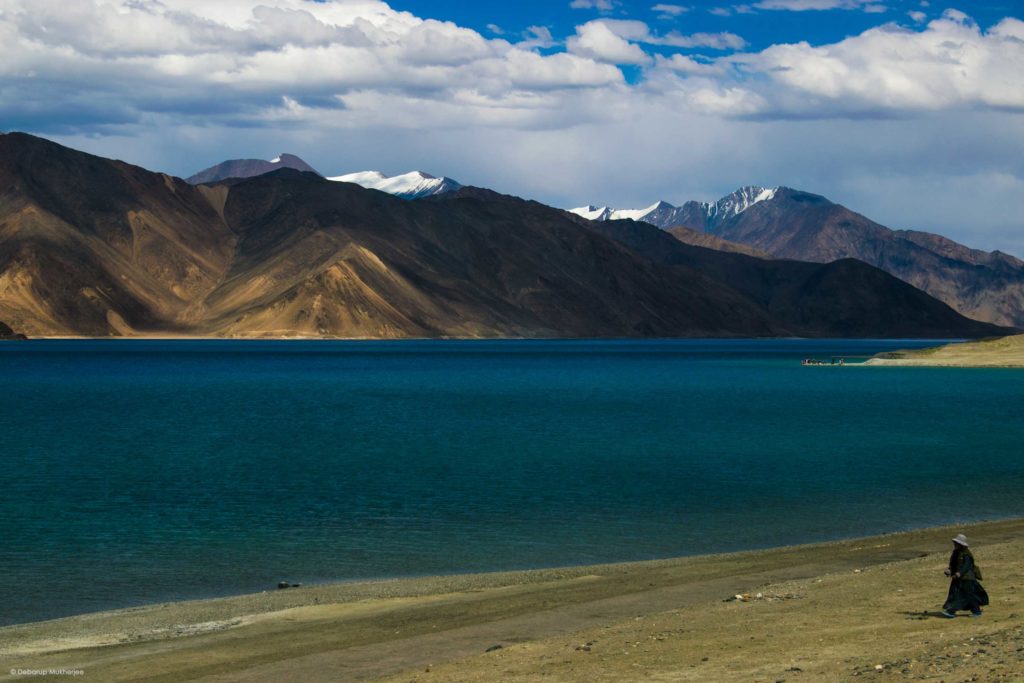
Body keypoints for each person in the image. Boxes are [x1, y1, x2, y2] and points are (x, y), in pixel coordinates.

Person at [941, 533, 989, 618]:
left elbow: (967, 566)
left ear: (960, 544)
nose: (954, 545)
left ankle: (951, 611)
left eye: (956, 543)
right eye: (954, 543)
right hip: (958, 578)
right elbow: (953, 564)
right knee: (968, 596)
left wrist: (959, 573)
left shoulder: (966, 554)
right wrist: (949, 570)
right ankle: (976, 611)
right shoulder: (956, 553)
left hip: (967, 578)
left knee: (960, 595)